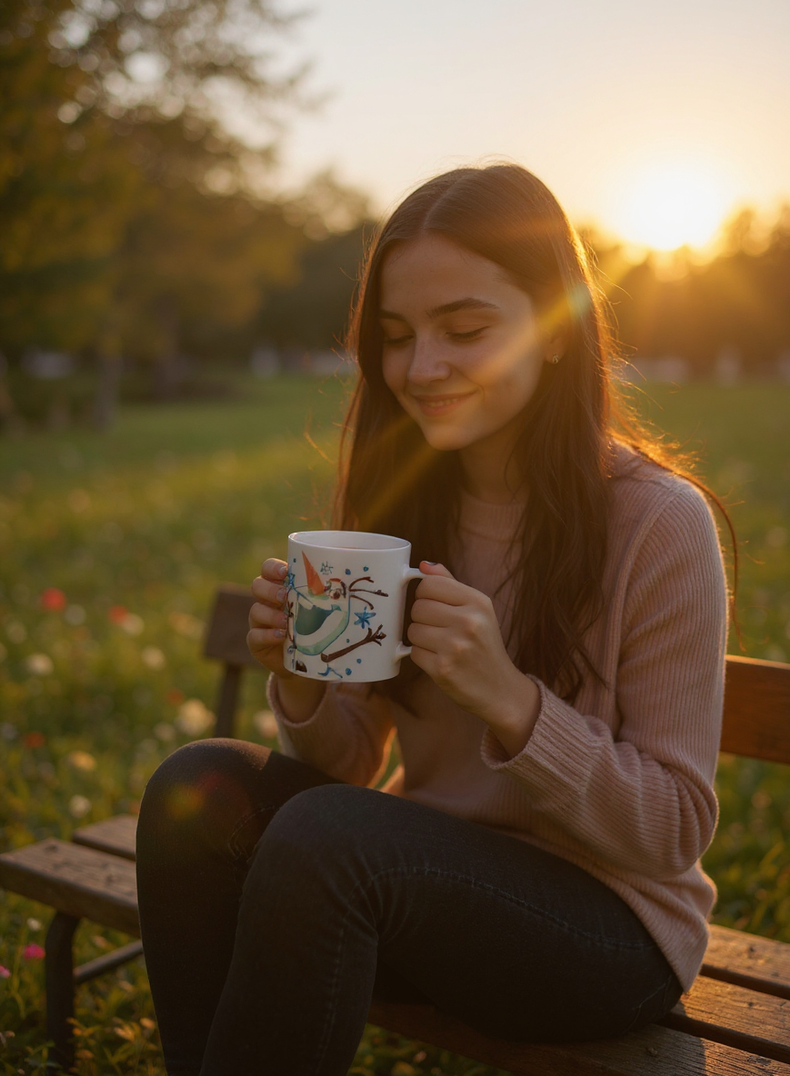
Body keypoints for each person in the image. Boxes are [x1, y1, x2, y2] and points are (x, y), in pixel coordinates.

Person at [136, 163, 732, 1076]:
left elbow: (675, 830)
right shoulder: (403, 495)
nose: (421, 369)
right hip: (413, 890)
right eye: (396, 336)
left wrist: (513, 703)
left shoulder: (658, 522)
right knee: (197, 789)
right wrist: (301, 675)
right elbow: (347, 765)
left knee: (330, 839)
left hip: (611, 936)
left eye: (464, 330)